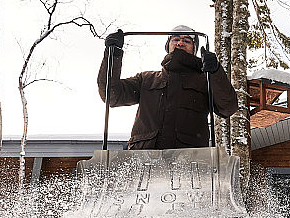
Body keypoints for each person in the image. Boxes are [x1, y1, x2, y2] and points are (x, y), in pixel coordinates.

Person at [98, 25, 239, 150]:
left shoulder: (205, 80)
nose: (180, 43)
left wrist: (215, 72)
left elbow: (228, 107)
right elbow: (111, 95)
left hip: (189, 161)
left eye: (187, 40)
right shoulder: (146, 80)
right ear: (168, 45)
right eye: (175, 39)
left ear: (194, 48)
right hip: (144, 158)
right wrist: (113, 55)